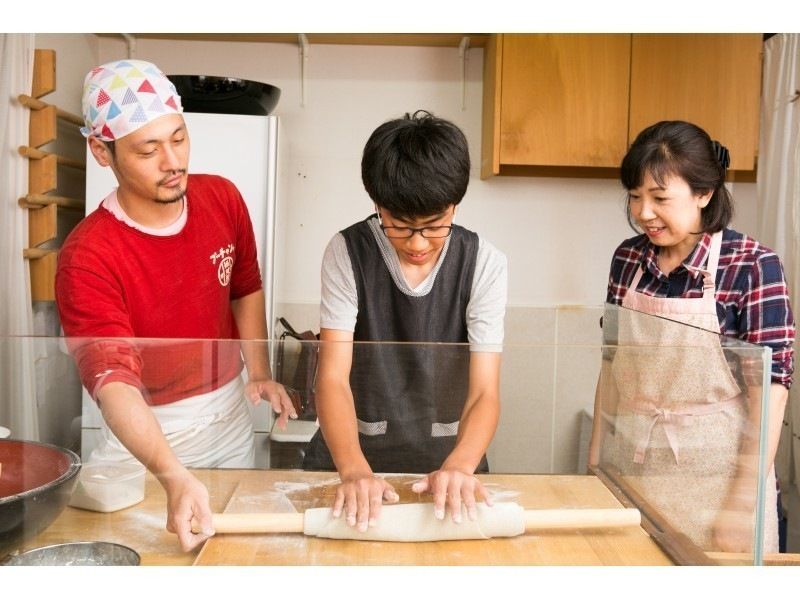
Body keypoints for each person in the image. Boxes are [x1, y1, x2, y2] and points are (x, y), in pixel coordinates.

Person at [55, 59, 294, 551]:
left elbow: (244, 287)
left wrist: (260, 372)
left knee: (228, 552)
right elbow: (113, 379)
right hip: (145, 434)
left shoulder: (222, 198)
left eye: (179, 138)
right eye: (148, 149)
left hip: (228, 415)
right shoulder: (88, 256)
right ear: (103, 152)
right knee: (135, 551)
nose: (173, 161)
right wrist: (170, 473)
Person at [588, 120, 795, 552]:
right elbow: (610, 365)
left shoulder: (752, 265)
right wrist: (595, 462)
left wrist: (743, 502)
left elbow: (771, 393)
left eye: (660, 198)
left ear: (704, 193)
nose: (644, 212)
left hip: (719, 485)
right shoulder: (628, 259)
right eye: (635, 197)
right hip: (632, 471)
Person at [303, 110, 507, 532]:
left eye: (434, 227)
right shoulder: (346, 252)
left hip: (449, 469)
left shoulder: (484, 261)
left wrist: (460, 467)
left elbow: (485, 390)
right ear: (378, 204)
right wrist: (355, 471)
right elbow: (333, 378)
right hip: (349, 463)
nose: (417, 243)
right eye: (398, 226)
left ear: (454, 204)